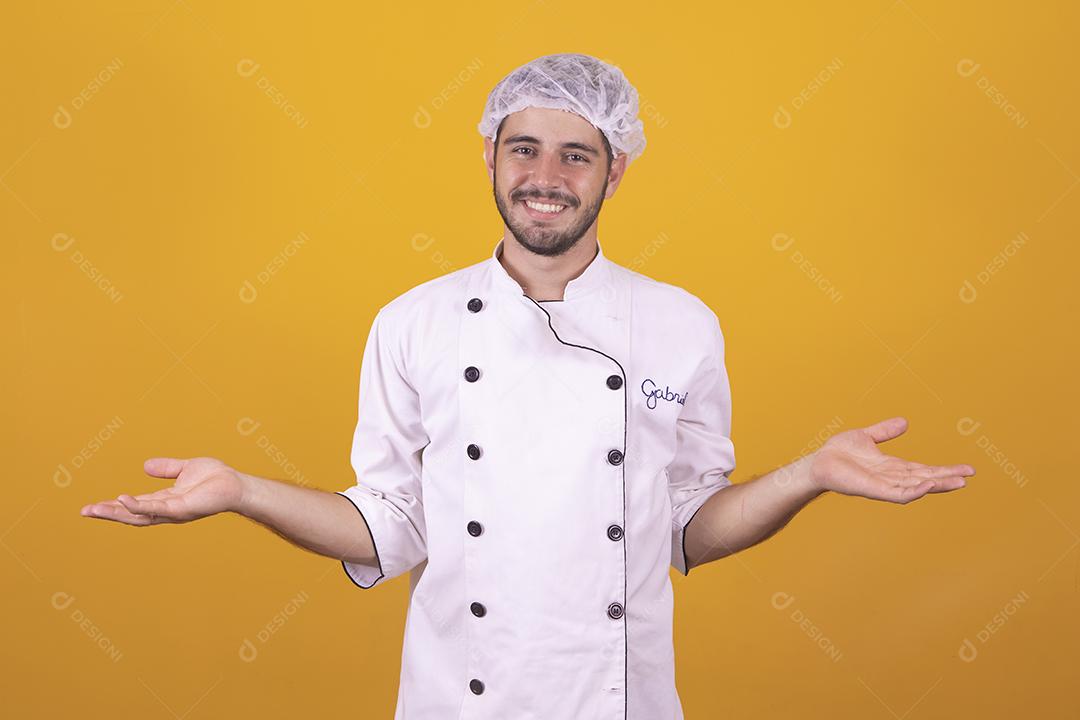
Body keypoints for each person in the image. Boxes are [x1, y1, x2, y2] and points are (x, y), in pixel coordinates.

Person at [80, 53, 976, 719]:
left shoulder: (680, 324)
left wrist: (809, 475)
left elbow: (692, 529)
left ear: (616, 168)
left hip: (620, 702)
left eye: (576, 157)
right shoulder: (413, 322)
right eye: (525, 150)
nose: (545, 180)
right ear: (490, 155)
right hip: (456, 702)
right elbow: (390, 522)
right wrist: (242, 491)